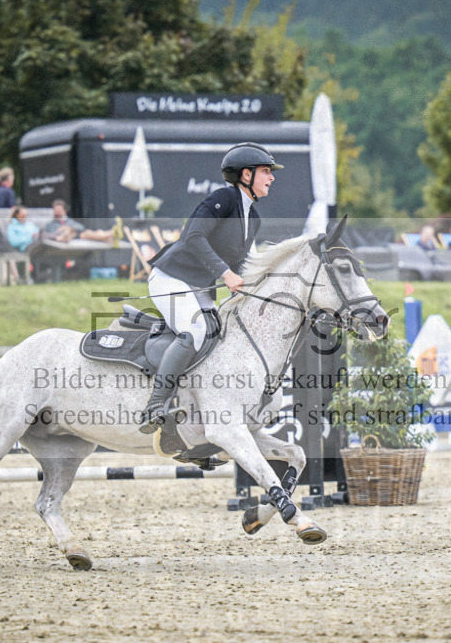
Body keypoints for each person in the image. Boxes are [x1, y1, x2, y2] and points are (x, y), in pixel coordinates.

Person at [138, 142, 282, 433]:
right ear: (246, 175)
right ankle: (155, 405)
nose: (272, 178)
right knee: (195, 332)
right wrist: (224, 274)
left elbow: (243, 263)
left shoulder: (252, 218)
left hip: (201, 288)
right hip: (172, 278)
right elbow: (194, 237)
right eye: (266, 171)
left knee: (224, 337)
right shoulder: (223, 199)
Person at [41, 199, 113, 243]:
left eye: (59, 211)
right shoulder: (50, 225)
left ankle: (109, 235)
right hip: (66, 239)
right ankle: (109, 234)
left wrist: (68, 227)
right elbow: (52, 236)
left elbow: (81, 228)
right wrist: (63, 230)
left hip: (77, 236)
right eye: (55, 211)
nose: (57, 213)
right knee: (87, 234)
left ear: (64, 211)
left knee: (88, 233)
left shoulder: (70, 221)